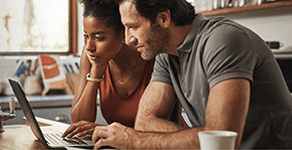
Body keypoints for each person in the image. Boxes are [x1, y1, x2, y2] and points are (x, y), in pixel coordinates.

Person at [91, 0, 292, 149]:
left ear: (163, 18)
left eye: (133, 27)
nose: (128, 40)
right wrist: (199, 139)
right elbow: (145, 122)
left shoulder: (222, 40)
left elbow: (219, 141)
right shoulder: (166, 54)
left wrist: (134, 141)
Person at [61, 0, 171, 139]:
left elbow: (163, 125)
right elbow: (79, 122)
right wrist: (96, 72)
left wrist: (106, 129)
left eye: (99, 38)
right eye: (86, 36)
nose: (89, 46)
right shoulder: (91, 55)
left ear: (122, 34)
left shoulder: (152, 55)